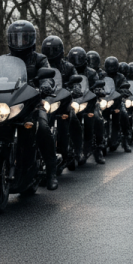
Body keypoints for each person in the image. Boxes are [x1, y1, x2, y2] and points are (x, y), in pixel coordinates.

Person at [0, 20, 58, 190]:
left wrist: (46, 85)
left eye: (24, 38)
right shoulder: (2, 61)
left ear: (32, 39)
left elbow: (48, 76)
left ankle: (51, 172)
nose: (20, 42)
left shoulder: (40, 59)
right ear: (10, 40)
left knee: (42, 127)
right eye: (16, 38)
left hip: (33, 105)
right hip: (9, 104)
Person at [42, 35, 76, 169]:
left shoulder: (68, 67)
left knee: (71, 118)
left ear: (61, 51)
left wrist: (75, 88)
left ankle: (73, 147)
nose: (51, 53)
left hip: (63, 102)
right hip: (48, 101)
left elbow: (75, 78)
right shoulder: (42, 64)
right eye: (48, 50)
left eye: (54, 50)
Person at [68, 46, 105, 164]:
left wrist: (99, 90)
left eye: (79, 59)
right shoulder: (69, 71)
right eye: (74, 59)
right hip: (74, 103)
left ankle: (99, 148)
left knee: (98, 119)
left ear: (84, 59)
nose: (76, 62)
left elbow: (98, 85)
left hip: (89, 103)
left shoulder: (91, 72)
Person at [104, 56, 131, 152]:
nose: (111, 68)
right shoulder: (102, 75)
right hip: (105, 102)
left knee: (124, 115)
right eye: (109, 66)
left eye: (113, 66)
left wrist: (124, 90)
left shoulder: (121, 76)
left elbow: (125, 84)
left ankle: (126, 140)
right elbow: (97, 83)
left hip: (117, 102)